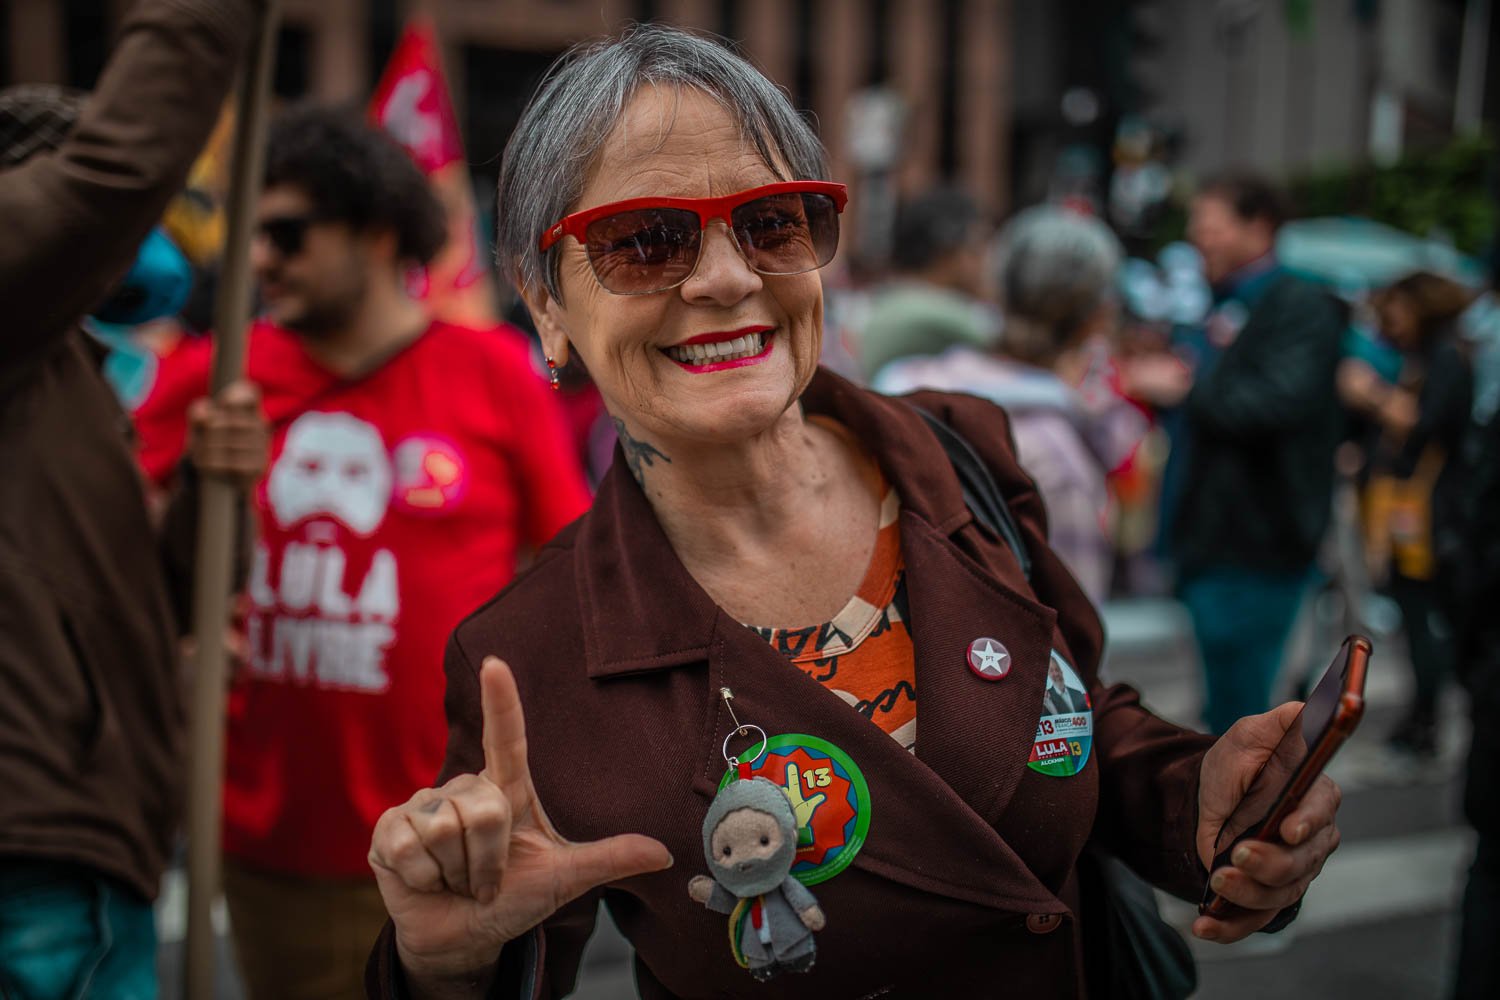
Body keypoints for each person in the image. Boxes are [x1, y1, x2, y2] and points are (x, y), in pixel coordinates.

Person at [364, 27, 1344, 999]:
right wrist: (443, 968)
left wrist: (1200, 799)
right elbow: (500, 940)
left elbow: (1074, 719)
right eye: (644, 241)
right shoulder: (531, 657)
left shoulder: (957, 460)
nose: (728, 277)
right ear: (544, 305)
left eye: (774, 222)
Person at [133, 107, 592, 999]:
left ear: (379, 231)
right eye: (252, 234)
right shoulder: (216, 374)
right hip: (266, 844)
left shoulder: (493, 373)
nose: (258, 259)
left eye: (288, 234)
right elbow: (118, 550)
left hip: (446, 829)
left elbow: (569, 568)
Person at [0, 2, 257, 996]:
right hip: (34, 853)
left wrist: (210, 485)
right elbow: (111, 176)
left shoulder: (60, 369)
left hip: (94, 844)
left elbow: (162, 592)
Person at [876, 205, 1146, 603]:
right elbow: (1072, 639)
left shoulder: (903, 392)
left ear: (995, 289)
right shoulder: (1059, 463)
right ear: (1097, 319)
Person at [1167, 173, 1345, 735]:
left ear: (1258, 227)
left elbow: (1274, 403)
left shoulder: (1300, 303)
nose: (1199, 239)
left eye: (1210, 226)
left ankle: (1243, 820)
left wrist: (1184, 388)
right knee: (1224, 703)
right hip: (1212, 540)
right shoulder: (1220, 304)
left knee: (1246, 717)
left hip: (1258, 544)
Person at [1338, 271, 1474, 759]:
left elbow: (1427, 425)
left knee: (1423, 619)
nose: (1388, 323)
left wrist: (1370, 393)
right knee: (1413, 617)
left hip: (1433, 516)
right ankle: (1422, 715)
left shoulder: (1446, 360)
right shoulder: (1424, 358)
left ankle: (1427, 719)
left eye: (1395, 311)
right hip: (1416, 512)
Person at [856, 186, 999, 381]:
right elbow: (1002, 343)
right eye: (979, 245)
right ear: (949, 251)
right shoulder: (930, 308)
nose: (986, 259)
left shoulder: (893, 296)